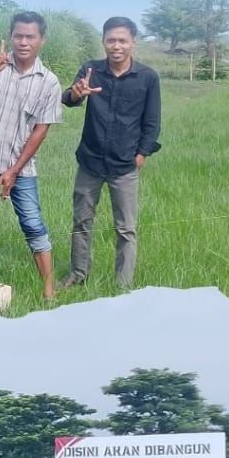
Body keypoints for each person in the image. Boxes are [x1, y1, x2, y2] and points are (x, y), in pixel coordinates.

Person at [0, 11, 64, 299]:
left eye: (29, 36)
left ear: (41, 40)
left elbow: (39, 131)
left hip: (20, 168)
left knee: (33, 222)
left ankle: (48, 288)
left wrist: (14, 170)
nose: (23, 42)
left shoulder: (49, 82)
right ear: (11, 36)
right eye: (18, 35)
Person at [60, 16, 162, 289]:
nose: (116, 46)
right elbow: (69, 98)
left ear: (133, 43)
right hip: (90, 160)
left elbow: (151, 122)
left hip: (125, 163)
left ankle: (123, 284)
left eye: (122, 40)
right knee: (81, 221)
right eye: (111, 40)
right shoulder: (91, 70)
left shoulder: (147, 77)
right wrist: (78, 93)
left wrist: (142, 154)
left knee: (126, 228)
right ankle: (78, 275)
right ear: (103, 41)